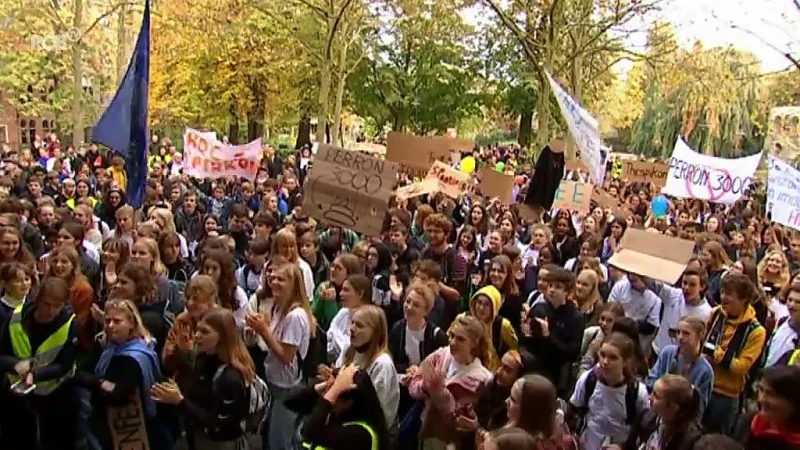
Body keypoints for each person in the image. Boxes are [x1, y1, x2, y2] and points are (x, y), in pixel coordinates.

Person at [152, 307, 255, 449]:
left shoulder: (231, 378)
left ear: (222, 337)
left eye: (205, 332)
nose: (197, 336)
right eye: (198, 329)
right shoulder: (203, 358)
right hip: (196, 436)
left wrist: (180, 401)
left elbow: (219, 425)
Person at [76, 299, 168, 448]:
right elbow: (83, 373)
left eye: (117, 321)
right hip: (104, 422)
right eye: (107, 321)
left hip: (132, 430)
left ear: (132, 323)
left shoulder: (135, 357)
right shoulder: (106, 346)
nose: (110, 325)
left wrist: (96, 383)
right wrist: (101, 384)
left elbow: (119, 395)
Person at [0, 277, 79, 450]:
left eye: (57, 306)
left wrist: (35, 375)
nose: (50, 311)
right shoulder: (15, 318)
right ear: (37, 299)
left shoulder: (69, 323)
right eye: (46, 304)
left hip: (54, 395)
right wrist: (15, 365)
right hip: (17, 396)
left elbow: (64, 364)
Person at [245, 263, 314, 450]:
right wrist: (256, 333)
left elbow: (286, 356)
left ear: (293, 283)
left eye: (280, 279)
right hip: (274, 382)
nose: (274, 281)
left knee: (280, 443)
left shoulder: (295, 316)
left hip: (288, 387)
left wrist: (263, 330)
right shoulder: (278, 308)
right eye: (272, 277)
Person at [407, 315, 493, 450]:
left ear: (474, 343)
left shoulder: (481, 380)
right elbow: (413, 387)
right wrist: (424, 386)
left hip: (451, 443)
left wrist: (439, 393)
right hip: (425, 430)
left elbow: (460, 422)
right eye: (452, 336)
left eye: (460, 339)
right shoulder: (441, 355)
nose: (453, 342)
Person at [702, 273, 767, 434]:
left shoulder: (756, 331)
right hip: (703, 383)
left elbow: (741, 367)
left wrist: (716, 353)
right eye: (723, 292)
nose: (724, 297)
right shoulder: (716, 313)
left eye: (729, 294)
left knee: (714, 437)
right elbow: (703, 341)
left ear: (743, 299)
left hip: (725, 395)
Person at [567, 332, 650, 450]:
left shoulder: (637, 392)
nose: (605, 362)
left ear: (625, 361)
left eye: (613, 358)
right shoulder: (588, 380)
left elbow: (643, 429)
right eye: (603, 355)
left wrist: (623, 446)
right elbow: (572, 410)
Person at [290, 364, 391, 450]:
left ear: (349, 402)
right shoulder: (334, 414)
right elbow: (290, 402)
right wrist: (321, 387)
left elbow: (308, 431)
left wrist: (334, 391)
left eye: (333, 391)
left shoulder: (359, 434)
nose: (327, 395)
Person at [336, 304, 400, 428]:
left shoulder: (382, 364)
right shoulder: (348, 351)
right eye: (352, 323)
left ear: (375, 332)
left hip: (373, 430)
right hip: (348, 423)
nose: (352, 328)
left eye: (359, 325)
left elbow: (372, 407)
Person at [648, 316, 714, 416]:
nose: (680, 337)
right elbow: (651, 379)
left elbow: (699, 408)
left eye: (686, 333)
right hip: (657, 411)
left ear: (700, 335)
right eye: (678, 332)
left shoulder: (705, 371)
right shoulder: (668, 353)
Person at [731, 365, 800, 450]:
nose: (761, 399)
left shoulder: (795, 442)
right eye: (761, 390)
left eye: (770, 394)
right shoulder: (747, 423)